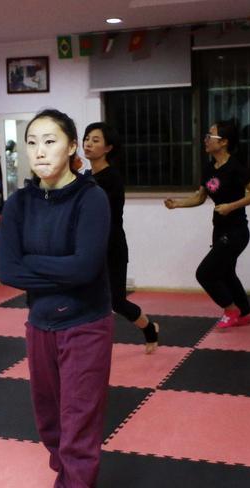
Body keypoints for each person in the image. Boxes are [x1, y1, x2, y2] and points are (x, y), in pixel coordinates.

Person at [0, 109, 112, 488]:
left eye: (50, 141)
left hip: (86, 323)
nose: (40, 151)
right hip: (39, 324)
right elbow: (8, 269)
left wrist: (33, 263)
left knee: (79, 421)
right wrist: (57, 266)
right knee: (50, 421)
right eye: (32, 142)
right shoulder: (20, 203)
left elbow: (86, 269)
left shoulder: (91, 199)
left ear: (70, 148)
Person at [165, 120, 250, 328]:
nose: (206, 140)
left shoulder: (236, 167)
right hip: (219, 229)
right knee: (227, 273)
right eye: (206, 136)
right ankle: (245, 314)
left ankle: (231, 309)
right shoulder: (210, 168)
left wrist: (231, 206)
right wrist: (177, 204)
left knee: (205, 273)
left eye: (211, 136)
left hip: (236, 231)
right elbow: (200, 197)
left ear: (224, 142)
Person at [82, 122, 159, 353]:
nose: (88, 143)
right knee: (87, 298)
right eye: (87, 138)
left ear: (108, 148)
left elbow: (100, 209)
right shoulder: (86, 177)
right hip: (90, 247)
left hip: (112, 246)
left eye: (95, 140)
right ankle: (89, 343)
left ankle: (150, 329)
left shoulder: (111, 177)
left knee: (117, 301)